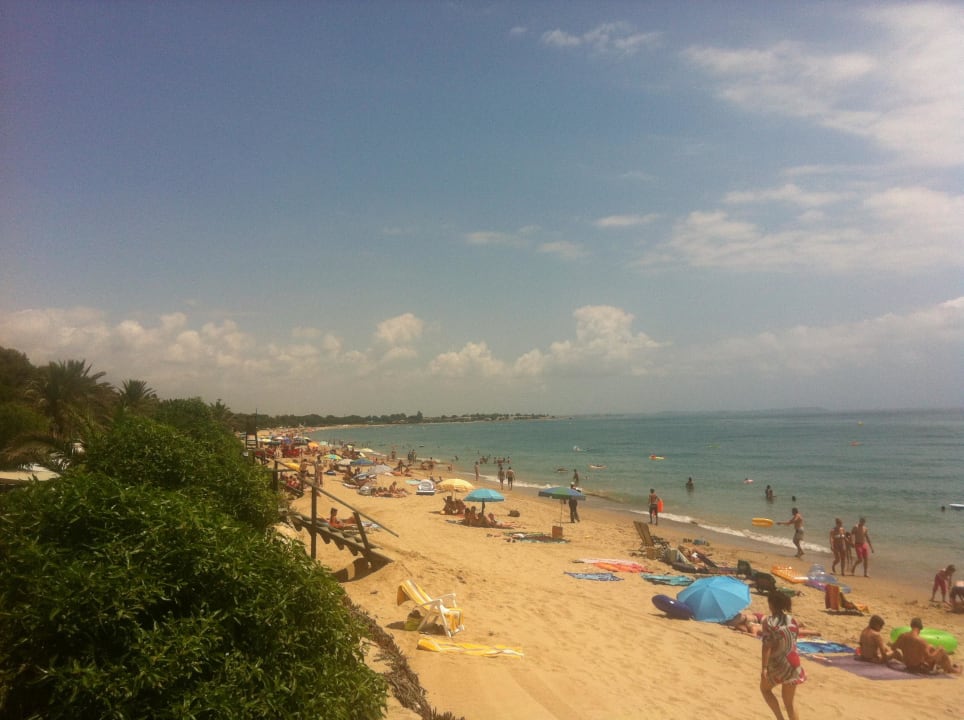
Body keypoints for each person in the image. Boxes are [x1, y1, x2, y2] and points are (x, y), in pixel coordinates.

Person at [759, 591, 805, 720]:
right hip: (794, 662)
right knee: (790, 704)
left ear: (771, 604)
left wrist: (764, 667)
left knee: (765, 689)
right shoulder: (793, 620)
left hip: (778, 663)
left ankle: (780, 718)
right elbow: (794, 639)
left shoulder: (768, 622)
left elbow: (767, 646)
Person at [889, 618, 962, 674]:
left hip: (908, 665)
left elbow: (893, 647)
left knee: (930, 647)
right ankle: (952, 670)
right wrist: (938, 649)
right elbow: (929, 657)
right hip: (919, 668)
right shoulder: (921, 641)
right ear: (920, 628)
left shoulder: (902, 636)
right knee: (941, 650)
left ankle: (946, 667)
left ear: (911, 626)